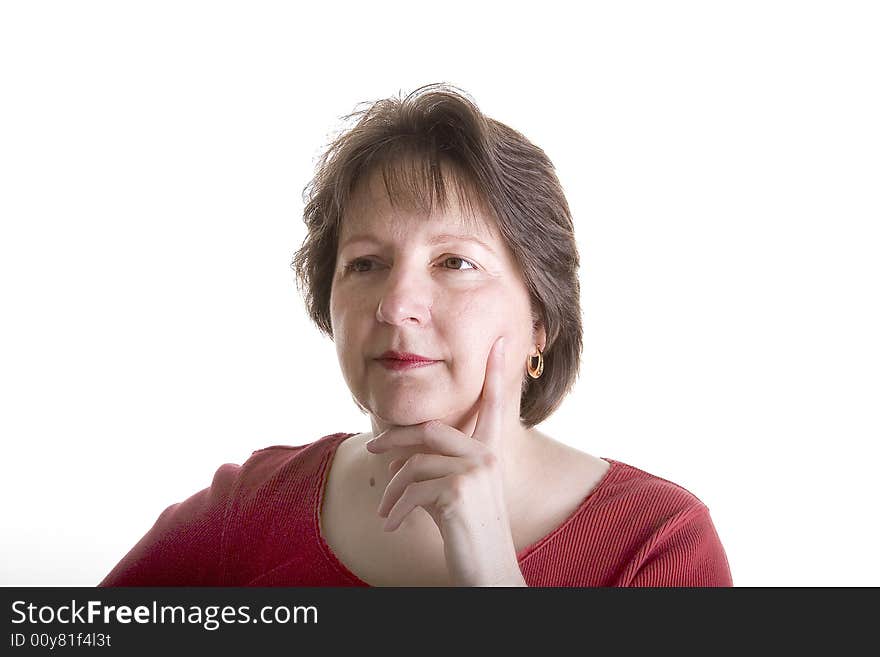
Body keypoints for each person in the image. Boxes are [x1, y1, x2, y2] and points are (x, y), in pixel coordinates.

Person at [98, 83, 732, 587]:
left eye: (455, 263)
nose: (397, 304)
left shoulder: (656, 543)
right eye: (366, 264)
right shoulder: (249, 510)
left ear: (542, 319)